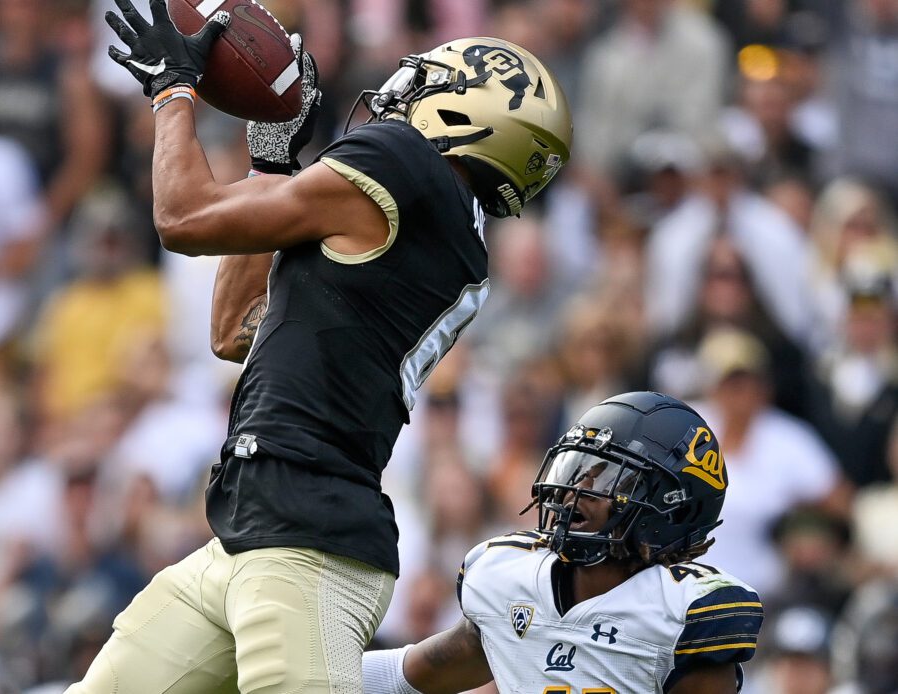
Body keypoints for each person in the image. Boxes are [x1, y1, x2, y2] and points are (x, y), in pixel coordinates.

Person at [70, 1, 572, 692]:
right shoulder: (439, 224)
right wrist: (271, 157)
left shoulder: (404, 165)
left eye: (426, 83)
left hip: (306, 543)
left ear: (467, 112)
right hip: (253, 525)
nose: (401, 92)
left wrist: (173, 90)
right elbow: (234, 329)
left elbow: (183, 217)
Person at [362, 391, 765, 694]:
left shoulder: (685, 613)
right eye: (576, 470)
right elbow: (405, 676)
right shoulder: (508, 579)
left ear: (671, 508)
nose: (573, 493)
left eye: (604, 479)